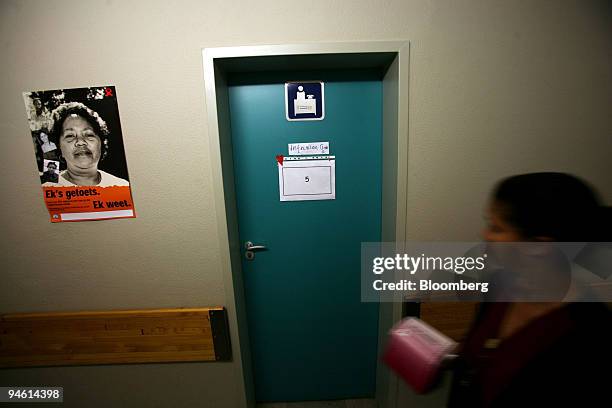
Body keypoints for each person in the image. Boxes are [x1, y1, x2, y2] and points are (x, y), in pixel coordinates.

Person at [447, 172, 611, 407]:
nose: (485, 235)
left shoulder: (590, 334)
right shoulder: (499, 284)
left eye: (497, 228)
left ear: (539, 246)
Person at [43, 102, 129, 187]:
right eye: (70, 136)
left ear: (101, 143)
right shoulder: (49, 190)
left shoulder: (122, 186)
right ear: (59, 147)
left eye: (89, 135)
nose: (80, 142)